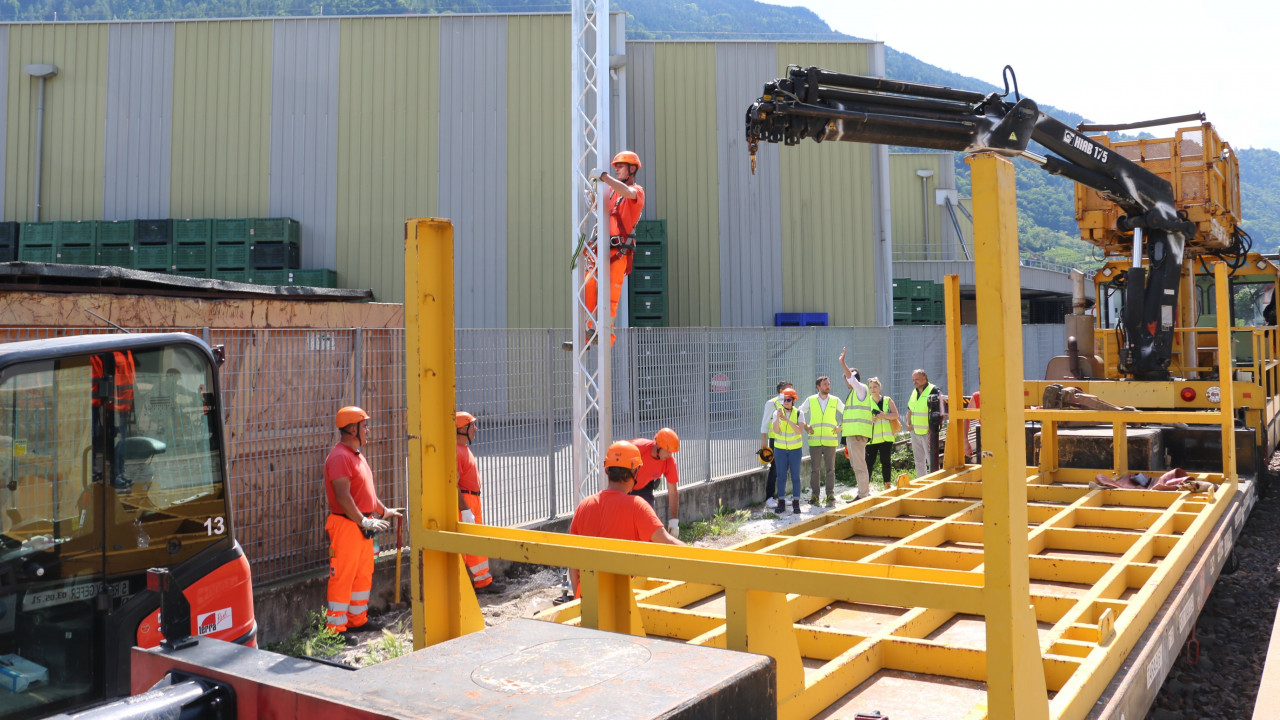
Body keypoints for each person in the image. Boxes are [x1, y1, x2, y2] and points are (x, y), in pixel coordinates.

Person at [323, 406, 402, 637]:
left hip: (363, 525)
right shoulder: (339, 457)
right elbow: (343, 497)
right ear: (351, 428)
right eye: (364, 425)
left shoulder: (355, 456)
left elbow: (364, 494)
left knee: (362, 574)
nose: (368, 430)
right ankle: (334, 630)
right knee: (343, 576)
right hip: (348, 526)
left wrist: (382, 510)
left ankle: (357, 620)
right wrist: (363, 521)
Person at [568, 441, 684, 596]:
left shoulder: (584, 506)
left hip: (587, 597)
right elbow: (669, 543)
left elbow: (573, 561)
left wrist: (578, 602)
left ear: (607, 470)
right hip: (620, 602)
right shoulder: (638, 507)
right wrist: (697, 550)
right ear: (635, 472)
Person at [581, 150, 646, 346]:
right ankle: (588, 332)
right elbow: (599, 210)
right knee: (589, 286)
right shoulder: (612, 193)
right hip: (601, 250)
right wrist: (594, 193)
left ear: (632, 169)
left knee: (610, 296)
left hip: (619, 254)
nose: (616, 169)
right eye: (615, 166)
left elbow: (628, 192)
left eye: (620, 166)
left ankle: (606, 335)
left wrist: (604, 177)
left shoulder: (637, 191)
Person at [456, 411, 506, 594]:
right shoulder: (457, 451)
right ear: (462, 429)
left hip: (473, 499)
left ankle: (483, 581)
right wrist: (465, 509)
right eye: (472, 425)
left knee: (476, 542)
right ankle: (463, 583)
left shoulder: (463, 449)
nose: (475, 429)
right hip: (467, 501)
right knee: (466, 543)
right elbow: (453, 483)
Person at [799, 375, 843, 506]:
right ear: (818, 386)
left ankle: (830, 494)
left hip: (830, 440)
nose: (828, 386)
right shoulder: (811, 400)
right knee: (815, 469)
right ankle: (815, 495)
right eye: (825, 384)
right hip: (815, 441)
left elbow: (847, 412)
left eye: (828, 384)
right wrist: (806, 426)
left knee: (831, 469)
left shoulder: (835, 400)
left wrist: (841, 426)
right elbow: (799, 412)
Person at [629, 428, 682, 535]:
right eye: (668, 451)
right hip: (624, 485)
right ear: (658, 445)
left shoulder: (669, 462)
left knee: (649, 524)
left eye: (671, 452)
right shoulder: (637, 448)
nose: (669, 455)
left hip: (644, 488)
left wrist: (674, 521)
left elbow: (672, 492)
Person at [838, 348, 874, 499]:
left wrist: (842, 362)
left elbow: (852, 379)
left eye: (846, 378)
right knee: (857, 465)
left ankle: (863, 494)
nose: (846, 381)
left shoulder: (860, 389)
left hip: (858, 435)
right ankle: (862, 493)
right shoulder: (854, 393)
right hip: (853, 435)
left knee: (859, 466)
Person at [759, 381, 793, 510]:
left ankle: (782, 496)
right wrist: (763, 441)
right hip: (776, 440)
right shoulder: (771, 403)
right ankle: (769, 497)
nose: (791, 391)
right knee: (775, 468)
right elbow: (764, 423)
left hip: (789, 441)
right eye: (788, 389)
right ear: (781, 391)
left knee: (785, 469)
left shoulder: (791, 403)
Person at [770, 387, 804, 513]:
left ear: (793, 400)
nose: (786, 402)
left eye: (789, 400)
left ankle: (796, 502)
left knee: (795, 476)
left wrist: (787, 420)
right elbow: (776, 431)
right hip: (780, 450)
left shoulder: (799, 413)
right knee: (781, 476)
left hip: (795, 450)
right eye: (784, 400)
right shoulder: (776, 413)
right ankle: (781, 502)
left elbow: (799, 431)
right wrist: (778, 418)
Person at [905, 369, 945, 477]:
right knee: (919, 461)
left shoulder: (934, 390)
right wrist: (907, 424)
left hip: (929, 433)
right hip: (915, 432)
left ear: (925, 378)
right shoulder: (914, 392)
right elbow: (909, 410)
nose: (915, 382)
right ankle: (922, 481)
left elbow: (942, 412)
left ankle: (935, 481)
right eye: (913, 380)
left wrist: (934, 428)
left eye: (917, 379)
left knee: (932, 460)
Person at [864, 377, 900, 490]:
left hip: (886, 437)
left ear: (880, 387)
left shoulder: (887, 400)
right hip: (872, 438)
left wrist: (884, 415)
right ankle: (866, 486)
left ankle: (887, 485)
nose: (873, 389)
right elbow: (863, 418)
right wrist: (871, 418)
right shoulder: (866, 401)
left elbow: (896, 415)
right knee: (869, 462)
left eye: (875, 386)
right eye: (870, 387)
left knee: (886, 461)